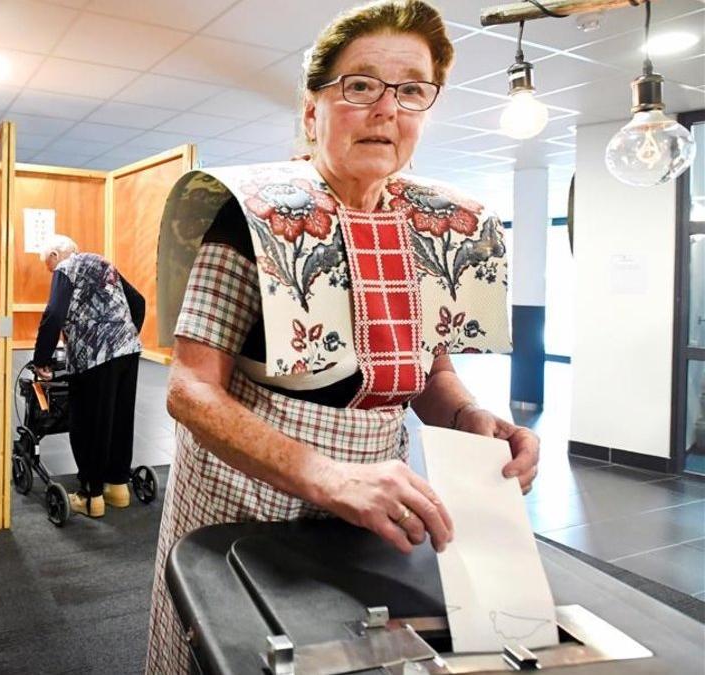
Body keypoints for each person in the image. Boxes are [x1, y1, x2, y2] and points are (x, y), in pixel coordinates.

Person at [144, 1, 540, 671]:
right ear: (312, 111)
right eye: (360, 85)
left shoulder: (435, 231)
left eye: (411, 88)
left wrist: (472, 418)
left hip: (365, 518)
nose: (386, 108)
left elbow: (431, 377)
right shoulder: (252, 221)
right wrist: (326, 476)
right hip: (240, 506)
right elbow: (188, 390)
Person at [32, 235, 146, 518]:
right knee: (120, 417)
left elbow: (54, 312)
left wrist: (41, 359)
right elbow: (139, 301)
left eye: (50, 266)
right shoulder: (104, 263)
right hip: (128, 351)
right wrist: (123, 338)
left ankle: (90, 495)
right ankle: (117, 487)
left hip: (94, 357)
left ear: (56, 254)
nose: (52, 273)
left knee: (88, 423)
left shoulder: (67, 267)